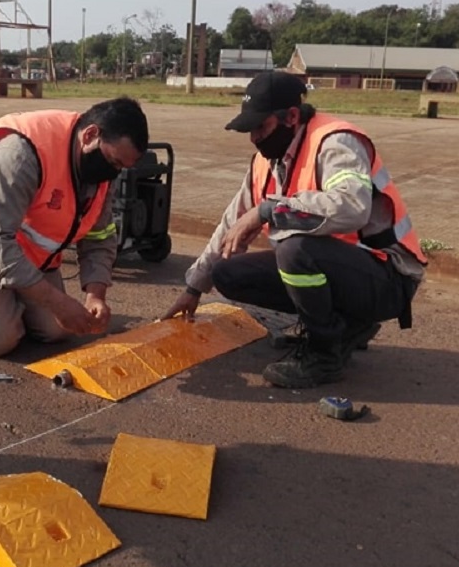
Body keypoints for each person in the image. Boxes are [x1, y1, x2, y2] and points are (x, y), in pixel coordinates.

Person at [161, 71, 426, 388]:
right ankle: (343, 327)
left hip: (387, 279)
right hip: (343, 272)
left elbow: (352, 207)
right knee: (226, 272)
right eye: (250, 129)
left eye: (261, 127)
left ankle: (324, 354)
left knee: (295, 251)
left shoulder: (335, 142)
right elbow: (232, 223)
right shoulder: (265, 160)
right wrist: (193, 288)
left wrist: (268, 210)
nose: (255, 138)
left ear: (291, 116)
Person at [0, 97, 149, 358]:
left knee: (58, 330)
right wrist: (56, 301)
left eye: (123, 167)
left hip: (21, 249)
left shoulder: (100, 171)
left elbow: (100, 236)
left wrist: (96, 295)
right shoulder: (21, 154)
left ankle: (10, 295)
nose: (115, 173)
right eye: (115, 162)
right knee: (0, 340)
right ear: (90, 135)